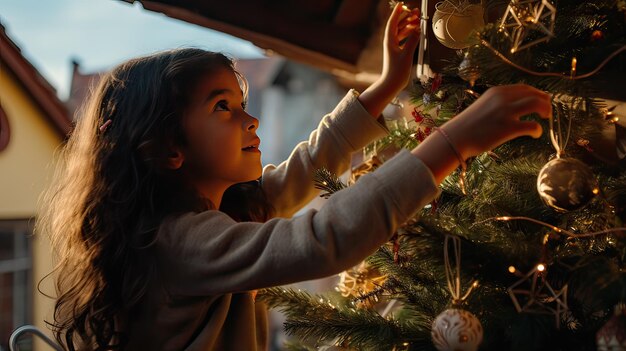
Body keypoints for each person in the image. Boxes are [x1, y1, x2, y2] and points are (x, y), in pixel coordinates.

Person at [37, 3, 551, 350]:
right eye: (223, 107)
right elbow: (323, 239)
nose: (250, 119)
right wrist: (453, 142)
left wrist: (387, 83)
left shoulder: (222, 209)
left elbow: (310, 164)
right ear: (169, 148)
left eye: (242, 103)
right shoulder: (180, 241)